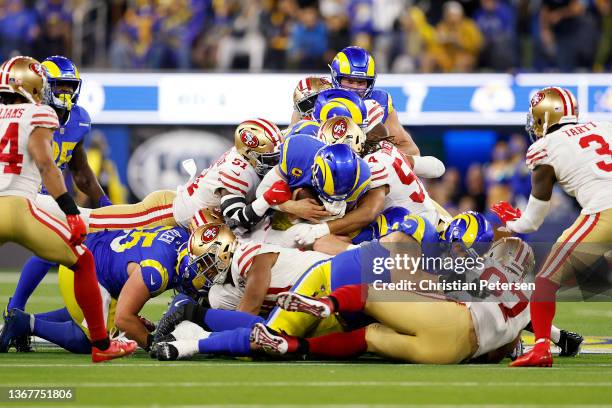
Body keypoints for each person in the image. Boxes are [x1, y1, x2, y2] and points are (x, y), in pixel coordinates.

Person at [0, 55, 135, 362]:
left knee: (61, 252)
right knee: (80, 258)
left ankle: (17, 316)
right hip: (31, 200)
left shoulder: (74, 118)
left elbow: (82, 171)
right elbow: (48, 166)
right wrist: (73, 211)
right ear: (40, 86)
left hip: (30, 198)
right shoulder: (39, 113)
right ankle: (101, 345)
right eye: (57, 86)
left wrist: (104, 204)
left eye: (68, 86)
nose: (63, 93)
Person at [492, 87, 612, 367]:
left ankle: (542, 347)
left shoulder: (545, 148)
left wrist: (511, 219)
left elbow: (532, 222)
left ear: (543, 117)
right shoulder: (604, 126)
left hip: (604, 212)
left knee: (545, 280)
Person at [2, 225, 190, 353]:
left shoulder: (180, 234)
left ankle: (16, 317)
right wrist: (152, 344)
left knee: (88, 314)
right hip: (87, 271)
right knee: (97, 341)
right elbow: (124, 318)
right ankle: (25, 323)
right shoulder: (156, 271)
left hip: (93, 247)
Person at [329, 46, 420, 155]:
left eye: (361, 82)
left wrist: (379, 155)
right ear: (336, 78)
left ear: (369, 83)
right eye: (349, 81)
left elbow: (412, 151)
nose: (355, 88)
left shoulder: (380, 101)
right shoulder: (322, 100)